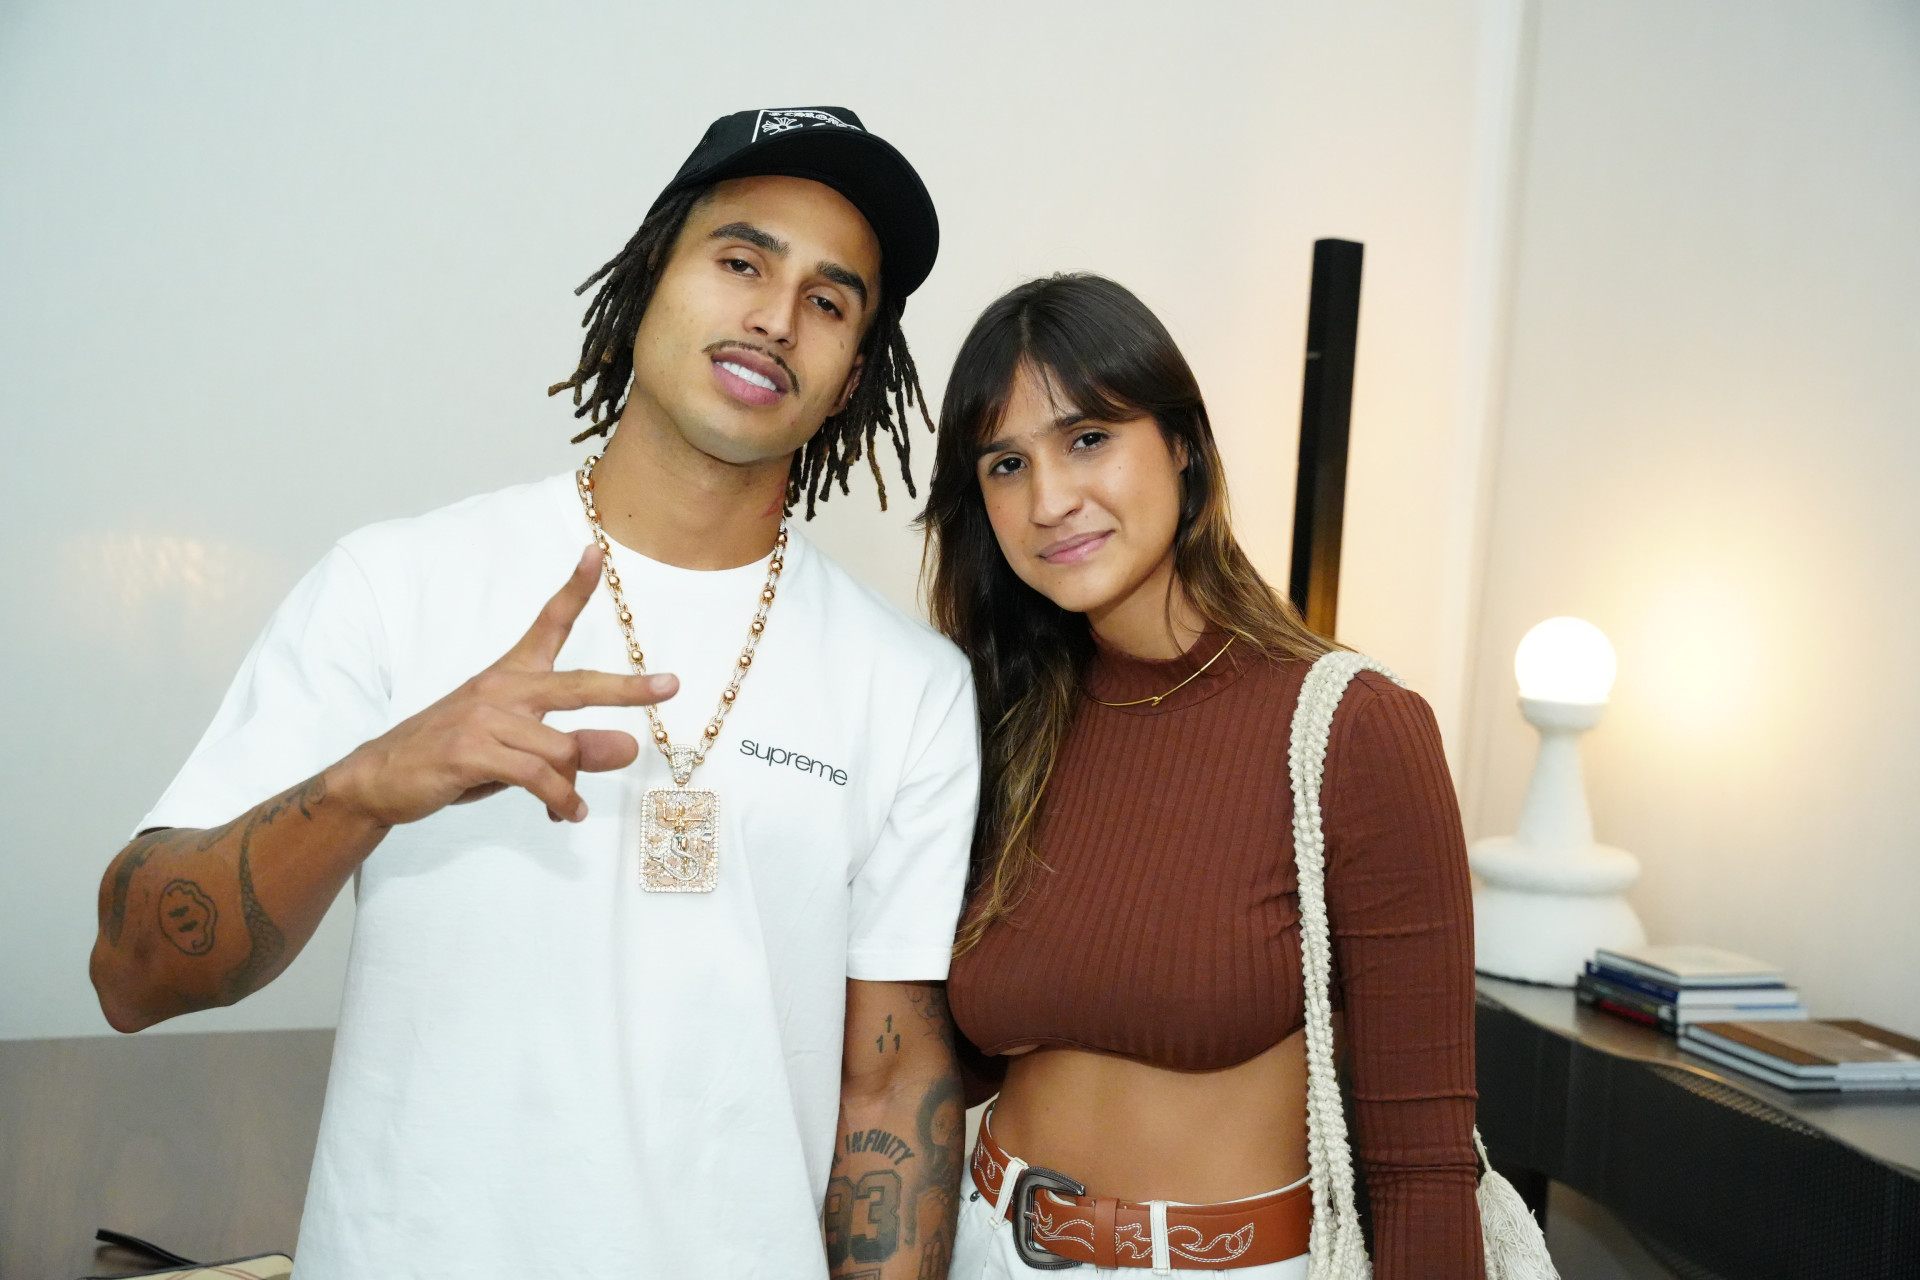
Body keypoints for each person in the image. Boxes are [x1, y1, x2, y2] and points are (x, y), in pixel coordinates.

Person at [88, 107, 976, 1280]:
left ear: (851, 375)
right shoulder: (397, 584)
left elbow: (891, 1088)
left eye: (828, 299)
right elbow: (133, 976)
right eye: (740, 261)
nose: (775, 314)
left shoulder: (910, 686)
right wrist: (366, 787)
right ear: (649, 278)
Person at [922, 274, 1484, 1277]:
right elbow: (926, 1063)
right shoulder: (997, 720)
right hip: (985, 1239)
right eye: (1008, 464)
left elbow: (1424, 1167)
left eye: (1088, 437)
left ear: (1182, 440)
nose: (1050, 501)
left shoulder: (1354, 730)